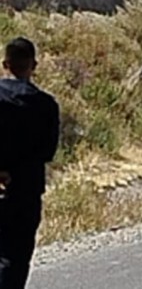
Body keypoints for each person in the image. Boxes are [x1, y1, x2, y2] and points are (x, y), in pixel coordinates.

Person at [0, 37, 60, 289]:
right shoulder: (46, 105)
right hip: (26, 188)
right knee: (16, 255)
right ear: (33, 65)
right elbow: (48, 151)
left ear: (6, 64)